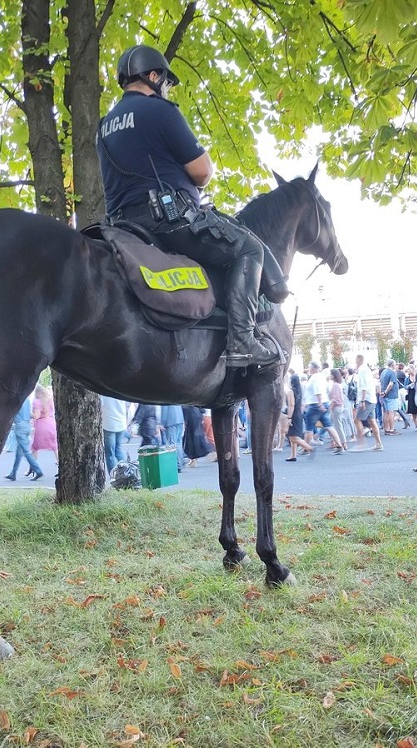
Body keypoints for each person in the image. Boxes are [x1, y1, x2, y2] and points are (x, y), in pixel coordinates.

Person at [98, 45, 288, 367]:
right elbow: (202, 172)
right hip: (168, 221)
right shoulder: (160, 111)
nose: (166, 89)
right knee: (250, 249)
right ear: (153, 76)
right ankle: (242, 342)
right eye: (165, 82)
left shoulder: (103, 127)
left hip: (122, 226)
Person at [4, 398, 43, 481]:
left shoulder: (17, 400)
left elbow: (13, 412)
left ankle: (37, 470)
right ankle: (13, 473)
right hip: (27, 424)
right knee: (19, 453)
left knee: (26, 451)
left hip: (20, 426)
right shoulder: (27, 399)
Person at [353, 354, 383, 451]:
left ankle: (361, 444)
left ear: (359, 360)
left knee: (357, 420)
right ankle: (378, 444)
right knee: (372, 421)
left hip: (366, 399)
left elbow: (364, 385)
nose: (355, 362)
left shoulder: (362, 370)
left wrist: (362, 400)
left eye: (356, 360)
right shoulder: (366, 369)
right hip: (371, 398)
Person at [284, 373, 315, 461]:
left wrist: (289, 417)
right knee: (292, 435)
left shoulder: (290, 391)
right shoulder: (299, 391)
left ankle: (309, 448)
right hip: (298, 414)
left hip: (293, 414)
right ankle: (293, 455)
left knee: (293, 436)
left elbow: (291, 405)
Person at [30, 384, 58, 465]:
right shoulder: (49, 400)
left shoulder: (37, 402)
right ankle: (59, 461)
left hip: (41, 425)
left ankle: (33, 466)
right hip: (51, 423)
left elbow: (36, 416)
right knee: (54, 445)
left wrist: (28, 414)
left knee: (35, 447)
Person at [101, 396, 130, 474]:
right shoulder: (118, 391)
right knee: (119, 449)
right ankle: (126, 472)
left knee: (110, 453)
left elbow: (101, 408)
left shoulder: (103, 395)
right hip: (121, 424)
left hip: (109, 425)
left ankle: (114, 476)